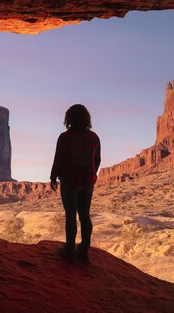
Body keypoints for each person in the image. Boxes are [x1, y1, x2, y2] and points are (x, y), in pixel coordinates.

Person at [50, 104, 101, 264]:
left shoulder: (65, 137)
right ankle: (84, 251)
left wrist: (53, 177)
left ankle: (69, 249)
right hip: (87, 182)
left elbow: (58, 158)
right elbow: (97, 159)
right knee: (85, 215)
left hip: (70, 181)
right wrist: (91, 174)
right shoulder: (94, 137)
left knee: (71, 216)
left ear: (69, 118)